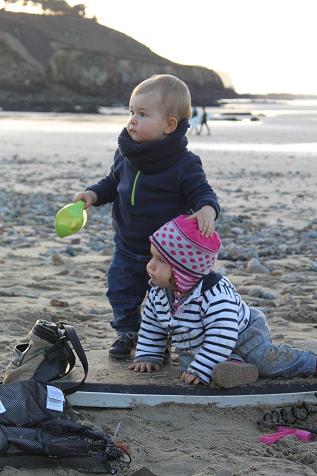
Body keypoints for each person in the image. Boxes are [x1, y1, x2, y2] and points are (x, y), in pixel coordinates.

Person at [73, 74, 220, 360]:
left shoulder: (184, 164)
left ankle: (158, 340)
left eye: (142, 114)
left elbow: (203, 193)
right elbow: (111, 184)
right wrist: (92, 195)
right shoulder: (126, 154)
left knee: (163, 298)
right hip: (127, 244)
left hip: (165, 253)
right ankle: (127, 331)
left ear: (169, 125)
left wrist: (207, 210)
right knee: (121, 290)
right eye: (131, 112)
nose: (132, 120)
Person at [129, 214, 317, 388]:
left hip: (242, 337)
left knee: (267, 362)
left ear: (184, 271)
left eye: (160, 260)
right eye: (152, 256)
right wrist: (149, 354)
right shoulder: (159, 292)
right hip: (198, 345)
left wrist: (202, 368)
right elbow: (152, 325)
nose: (150, 265)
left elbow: (222, 334)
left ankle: (309, 362)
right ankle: (236, 367)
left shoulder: (215, 295)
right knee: (189, 367)